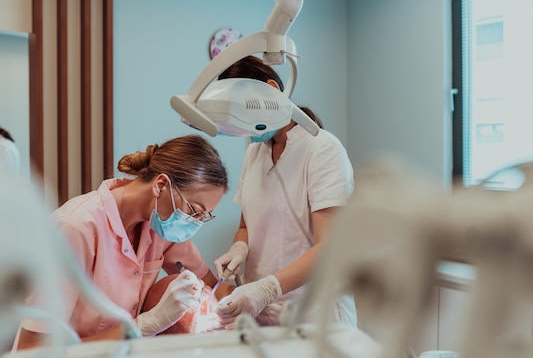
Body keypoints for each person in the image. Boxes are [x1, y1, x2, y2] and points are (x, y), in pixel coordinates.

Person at [15, 134, 229, 349]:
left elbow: (212, 285)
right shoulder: (75, 229)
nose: (194, 223)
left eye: (204, 216)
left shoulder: (161, 227)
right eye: (194, 211)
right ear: (160, 185)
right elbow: (33, 349)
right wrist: (146, 324)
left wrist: (251, 298)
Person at [213, 55, 357, 327]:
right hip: (262, 312)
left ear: (272, 90)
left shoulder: (322, 148)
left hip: (314, 316)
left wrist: (267, 289)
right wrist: (239, 246)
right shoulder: (255, 152)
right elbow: (246, 225)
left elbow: (328, 247)